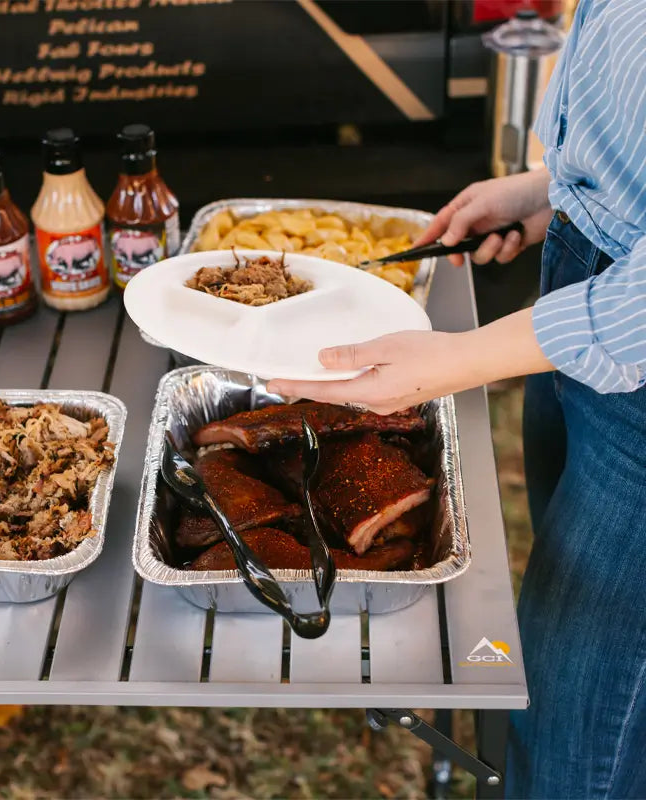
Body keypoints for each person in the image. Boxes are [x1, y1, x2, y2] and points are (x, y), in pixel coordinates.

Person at [268, 1, 646, 797]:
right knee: (559, 631)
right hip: (587, 291)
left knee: (583, 704)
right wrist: (557, 192)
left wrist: (461, 360)